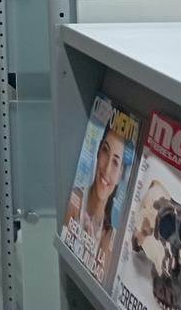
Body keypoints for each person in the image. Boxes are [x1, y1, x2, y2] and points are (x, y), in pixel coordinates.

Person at [64, 118, 128, 278]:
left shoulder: (109, 237)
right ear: (98, 153)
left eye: (115, 162)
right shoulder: (74, 201)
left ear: (121, 174)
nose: (106, 169)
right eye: (106, 151)